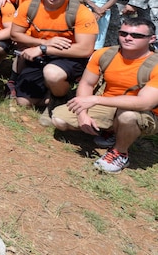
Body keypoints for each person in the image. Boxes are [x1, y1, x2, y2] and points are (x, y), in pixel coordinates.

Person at [51, 18, 158, 173]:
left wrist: (95, 99)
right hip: (109, 105)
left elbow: (145, 103)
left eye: (136, 36)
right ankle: (113, 130)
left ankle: (120, 153)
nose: (128, 38)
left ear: (152, 39)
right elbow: (87, 84)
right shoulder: (105, 54)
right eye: (123, 33)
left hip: (146, 113)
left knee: (127, 115)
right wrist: (82, 114)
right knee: (59, 120)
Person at [10, 0, 98, 122]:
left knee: (52, 73)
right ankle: (51, 93)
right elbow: (15, 34)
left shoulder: (80, 12)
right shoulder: (30, 6)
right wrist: (44, 43)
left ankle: (58, 98)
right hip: (41, 55)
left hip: (69, 55)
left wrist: (43, 49)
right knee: (24, 103)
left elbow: (85, 49)